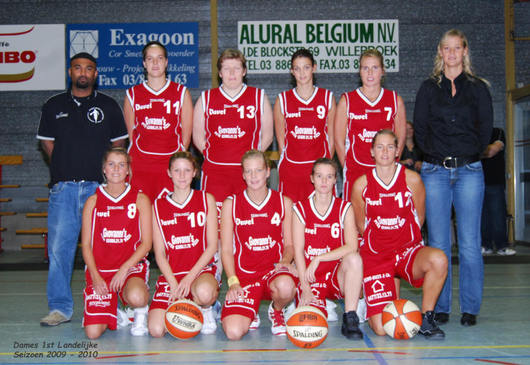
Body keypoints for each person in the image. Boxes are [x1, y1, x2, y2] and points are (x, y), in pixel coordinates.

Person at [37, 52, 128, 326]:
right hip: (64, 190)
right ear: (70, 71)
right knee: (59, 250)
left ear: (95, 74)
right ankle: (60, 308)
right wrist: (67, 166)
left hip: (99, 191)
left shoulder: (109, 106)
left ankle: (114, 306)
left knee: (108, 249)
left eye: (89, 68)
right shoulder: (53, 105)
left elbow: (119, 145)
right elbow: (48, 144)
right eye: (78, 68)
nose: (83, 72)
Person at [414, 29, 493, 327]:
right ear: (440, 52)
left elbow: (485, 129)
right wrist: (436, 156)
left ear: (464, 51)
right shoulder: (427, 88)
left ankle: (470, 308)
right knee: (438, 243)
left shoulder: (478, 88)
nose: (451, 53)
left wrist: (466, 154)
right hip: (434, 172)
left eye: (456, 48)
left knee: (470, 243)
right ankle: (441, 306)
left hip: (470, 171)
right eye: (446, 48)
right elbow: (419, 129)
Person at [352, 130, 448, 339]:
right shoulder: (361, 184)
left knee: (439, 259)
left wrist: (401, 240)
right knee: (381, 328)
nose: (385, 151)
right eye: (379, 147)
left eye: (390, 147)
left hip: (407, 252)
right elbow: (361, 226)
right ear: (371, 151)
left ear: (397, 151)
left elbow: (419, 218)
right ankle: (374, 293)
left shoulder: (412, 180)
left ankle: (427, 317)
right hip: (377, 256)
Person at [220, 150, 296, 340]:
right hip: (245, 277)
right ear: (243, 174)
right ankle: (249, 309)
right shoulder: (232, 204)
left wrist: (285, 261)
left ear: (268, 172)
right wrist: (233, 281)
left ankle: (276, 311)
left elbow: (290, 245)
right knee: (233, 332)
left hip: (273, 274)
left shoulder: (283, 202)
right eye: (249, 171)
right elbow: (227, 250)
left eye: (259, 170)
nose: (254, 176)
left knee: (287, 286)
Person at [81, 148, 152, 339]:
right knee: (93, 333)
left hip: (130, 269)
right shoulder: (93, 202)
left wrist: (124, 268)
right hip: (101, 271)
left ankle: (139, 313)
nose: (116, 169)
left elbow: (146, 244)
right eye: (111, 164)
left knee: (137, 296)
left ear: (128, 170)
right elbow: (86, 245)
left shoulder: (140, 199)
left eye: (122, 165)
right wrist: (95, 276)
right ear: (104, 168)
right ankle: (118, 315)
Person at [192, 49, 273, 215]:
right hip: (216, 173)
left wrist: (253, 161)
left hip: (248, 174)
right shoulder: (206, 98)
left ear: (244, 71)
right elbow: (198, 136)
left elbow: (268, 135)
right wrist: (211, 155)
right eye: (226, 68)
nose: (231, 73)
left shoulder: (258, 97)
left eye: (236, 68)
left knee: (248, 220)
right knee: (217, 224)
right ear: (220, 72)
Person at [148, 152, 219, 337]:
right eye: (176, 170)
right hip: (172, 274)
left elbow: (212, 246)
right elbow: (160, 253)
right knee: (156, 330)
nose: (181, 175)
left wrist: (188, 279)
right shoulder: (157, 205)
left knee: (204, 293)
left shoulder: (206, 199)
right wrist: (173, 283)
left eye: (187, 170)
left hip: (199, 272)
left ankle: (205, 309)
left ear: (195, 173)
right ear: (169, 173)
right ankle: (186, 304)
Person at [292, 158, 363, 340]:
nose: (324, 181)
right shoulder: (300, 208)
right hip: (310, 276)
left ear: (335, 180)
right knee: (308, 330)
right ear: (312, 179)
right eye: (320, 176)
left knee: (354, 258)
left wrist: (319, 258)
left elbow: (352, 246)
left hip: (335, 276)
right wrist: (305, 286)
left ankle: (350, 317)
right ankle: (315, 302)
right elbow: (298, 251)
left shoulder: (344, 207)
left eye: (329, 176)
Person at [124, 41, 193, 202]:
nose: (155, 63)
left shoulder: (181, 92)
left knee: (169, 216)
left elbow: (186, 138)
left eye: (160, 58)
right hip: (141, 166)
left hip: (169, 167)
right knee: (140, 218)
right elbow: (132, 136)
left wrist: (177, 166)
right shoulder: (132, 94)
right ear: (144, 63)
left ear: (166, 62)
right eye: (150, 58)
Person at [335, 49, 406, 201]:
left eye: (375, 68)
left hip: (385, 171)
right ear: (359, 71)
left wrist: (391, 165)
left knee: (384, 219)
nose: (370, 73)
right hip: (356, 170)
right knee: (354, 222)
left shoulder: (395, 100)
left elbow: (400, 138)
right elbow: (338, 141)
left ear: (383, 71)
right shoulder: (347, 100)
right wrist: (347, 167)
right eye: (365, 68)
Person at [274, 48, 336, 203]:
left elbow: (332, 139)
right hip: (292, 171)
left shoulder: (327, 98)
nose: (302, 73)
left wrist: (324, 168)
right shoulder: (282, 100)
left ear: (314, 68)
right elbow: (281, 142)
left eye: (306, 67)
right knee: (290, 219)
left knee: (321, 219)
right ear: (292, 71)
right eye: (297, 68)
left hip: (318, 172)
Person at [481, 128, 515, 256]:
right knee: (482, 217)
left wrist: (476, 151)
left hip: (495, 181)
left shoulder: (497, 132)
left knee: (498, 215)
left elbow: (491, 151)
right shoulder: (474, 133)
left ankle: (502, 246)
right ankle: (485, 245)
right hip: (476, 182)